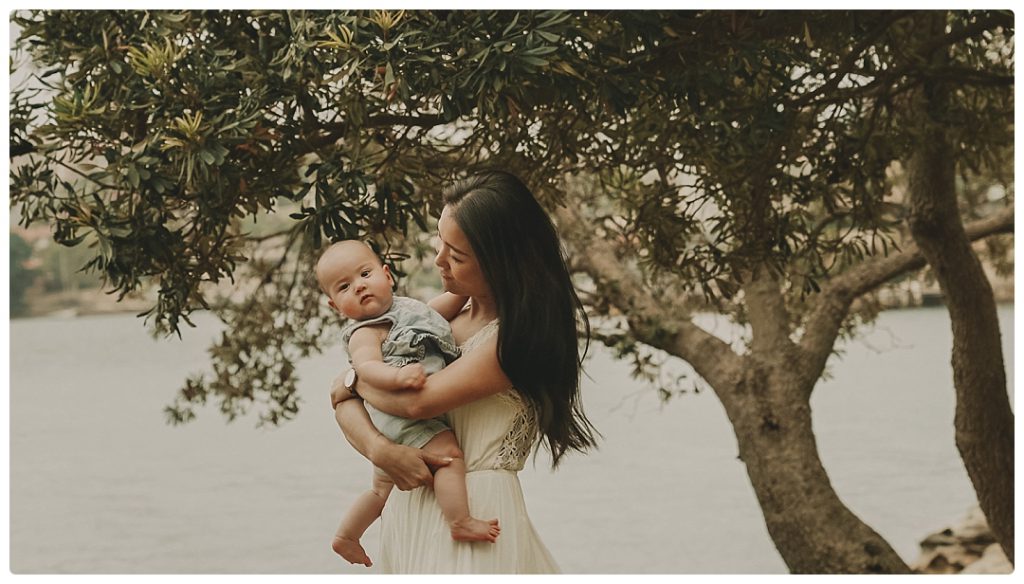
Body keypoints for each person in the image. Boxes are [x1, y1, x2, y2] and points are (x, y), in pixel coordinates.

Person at [331, 170, 598, 573]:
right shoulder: (444, 312)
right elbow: (341, 398)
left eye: (456, 256)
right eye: (440, 243)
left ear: (501, 262)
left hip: (475, 510)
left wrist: (352, 381)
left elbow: (416, 403)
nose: (439, 260)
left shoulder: (517, 338)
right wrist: (379, 448)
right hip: (410, 506)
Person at [316, 240, 500, 568]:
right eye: (345, 287)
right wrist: (396, 379)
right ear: (334, 305)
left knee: (380, 490)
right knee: (449, 457)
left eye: (364, 274)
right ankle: (459, 520)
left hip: (389, 425)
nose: (358, 286)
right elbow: (366, 367)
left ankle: (347, 535)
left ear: (387, 276)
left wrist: (470, 285)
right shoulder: (365, 332)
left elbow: (443, 309)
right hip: (404, 421)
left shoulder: (408, 311)